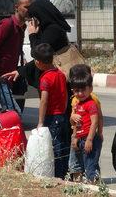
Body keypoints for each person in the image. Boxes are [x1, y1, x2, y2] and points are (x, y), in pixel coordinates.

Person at [0, 0, 34, 110]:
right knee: (13, 113)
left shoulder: (22, 26)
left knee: (8, 113)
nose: (29, 10)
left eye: (31, 7)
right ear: (16, 7)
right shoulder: (7, 24)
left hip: (9, 77)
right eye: (26, 7)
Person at [34, 43, 69, 179]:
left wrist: (40, 122)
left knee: (55, 148)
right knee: (63, 145)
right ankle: (65, 173)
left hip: (51, 117)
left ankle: (58, 176)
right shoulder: (60, 74)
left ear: (38, 62)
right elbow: (65, 95)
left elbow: (44, 101)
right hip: (62, 115)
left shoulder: (45, 78)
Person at [68, 64, 104, 182]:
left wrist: (95, 136)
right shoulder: (77, 102)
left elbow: (97, 120)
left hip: (90, 137)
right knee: (76, 164)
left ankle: (94, 186)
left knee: (90, 164)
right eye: (76, 90)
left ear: (90, 88)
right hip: (79, 137)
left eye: (83, 89)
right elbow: (75, 123)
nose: (80, 93)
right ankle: (78, 187)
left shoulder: (92, 102)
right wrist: (74, 137)